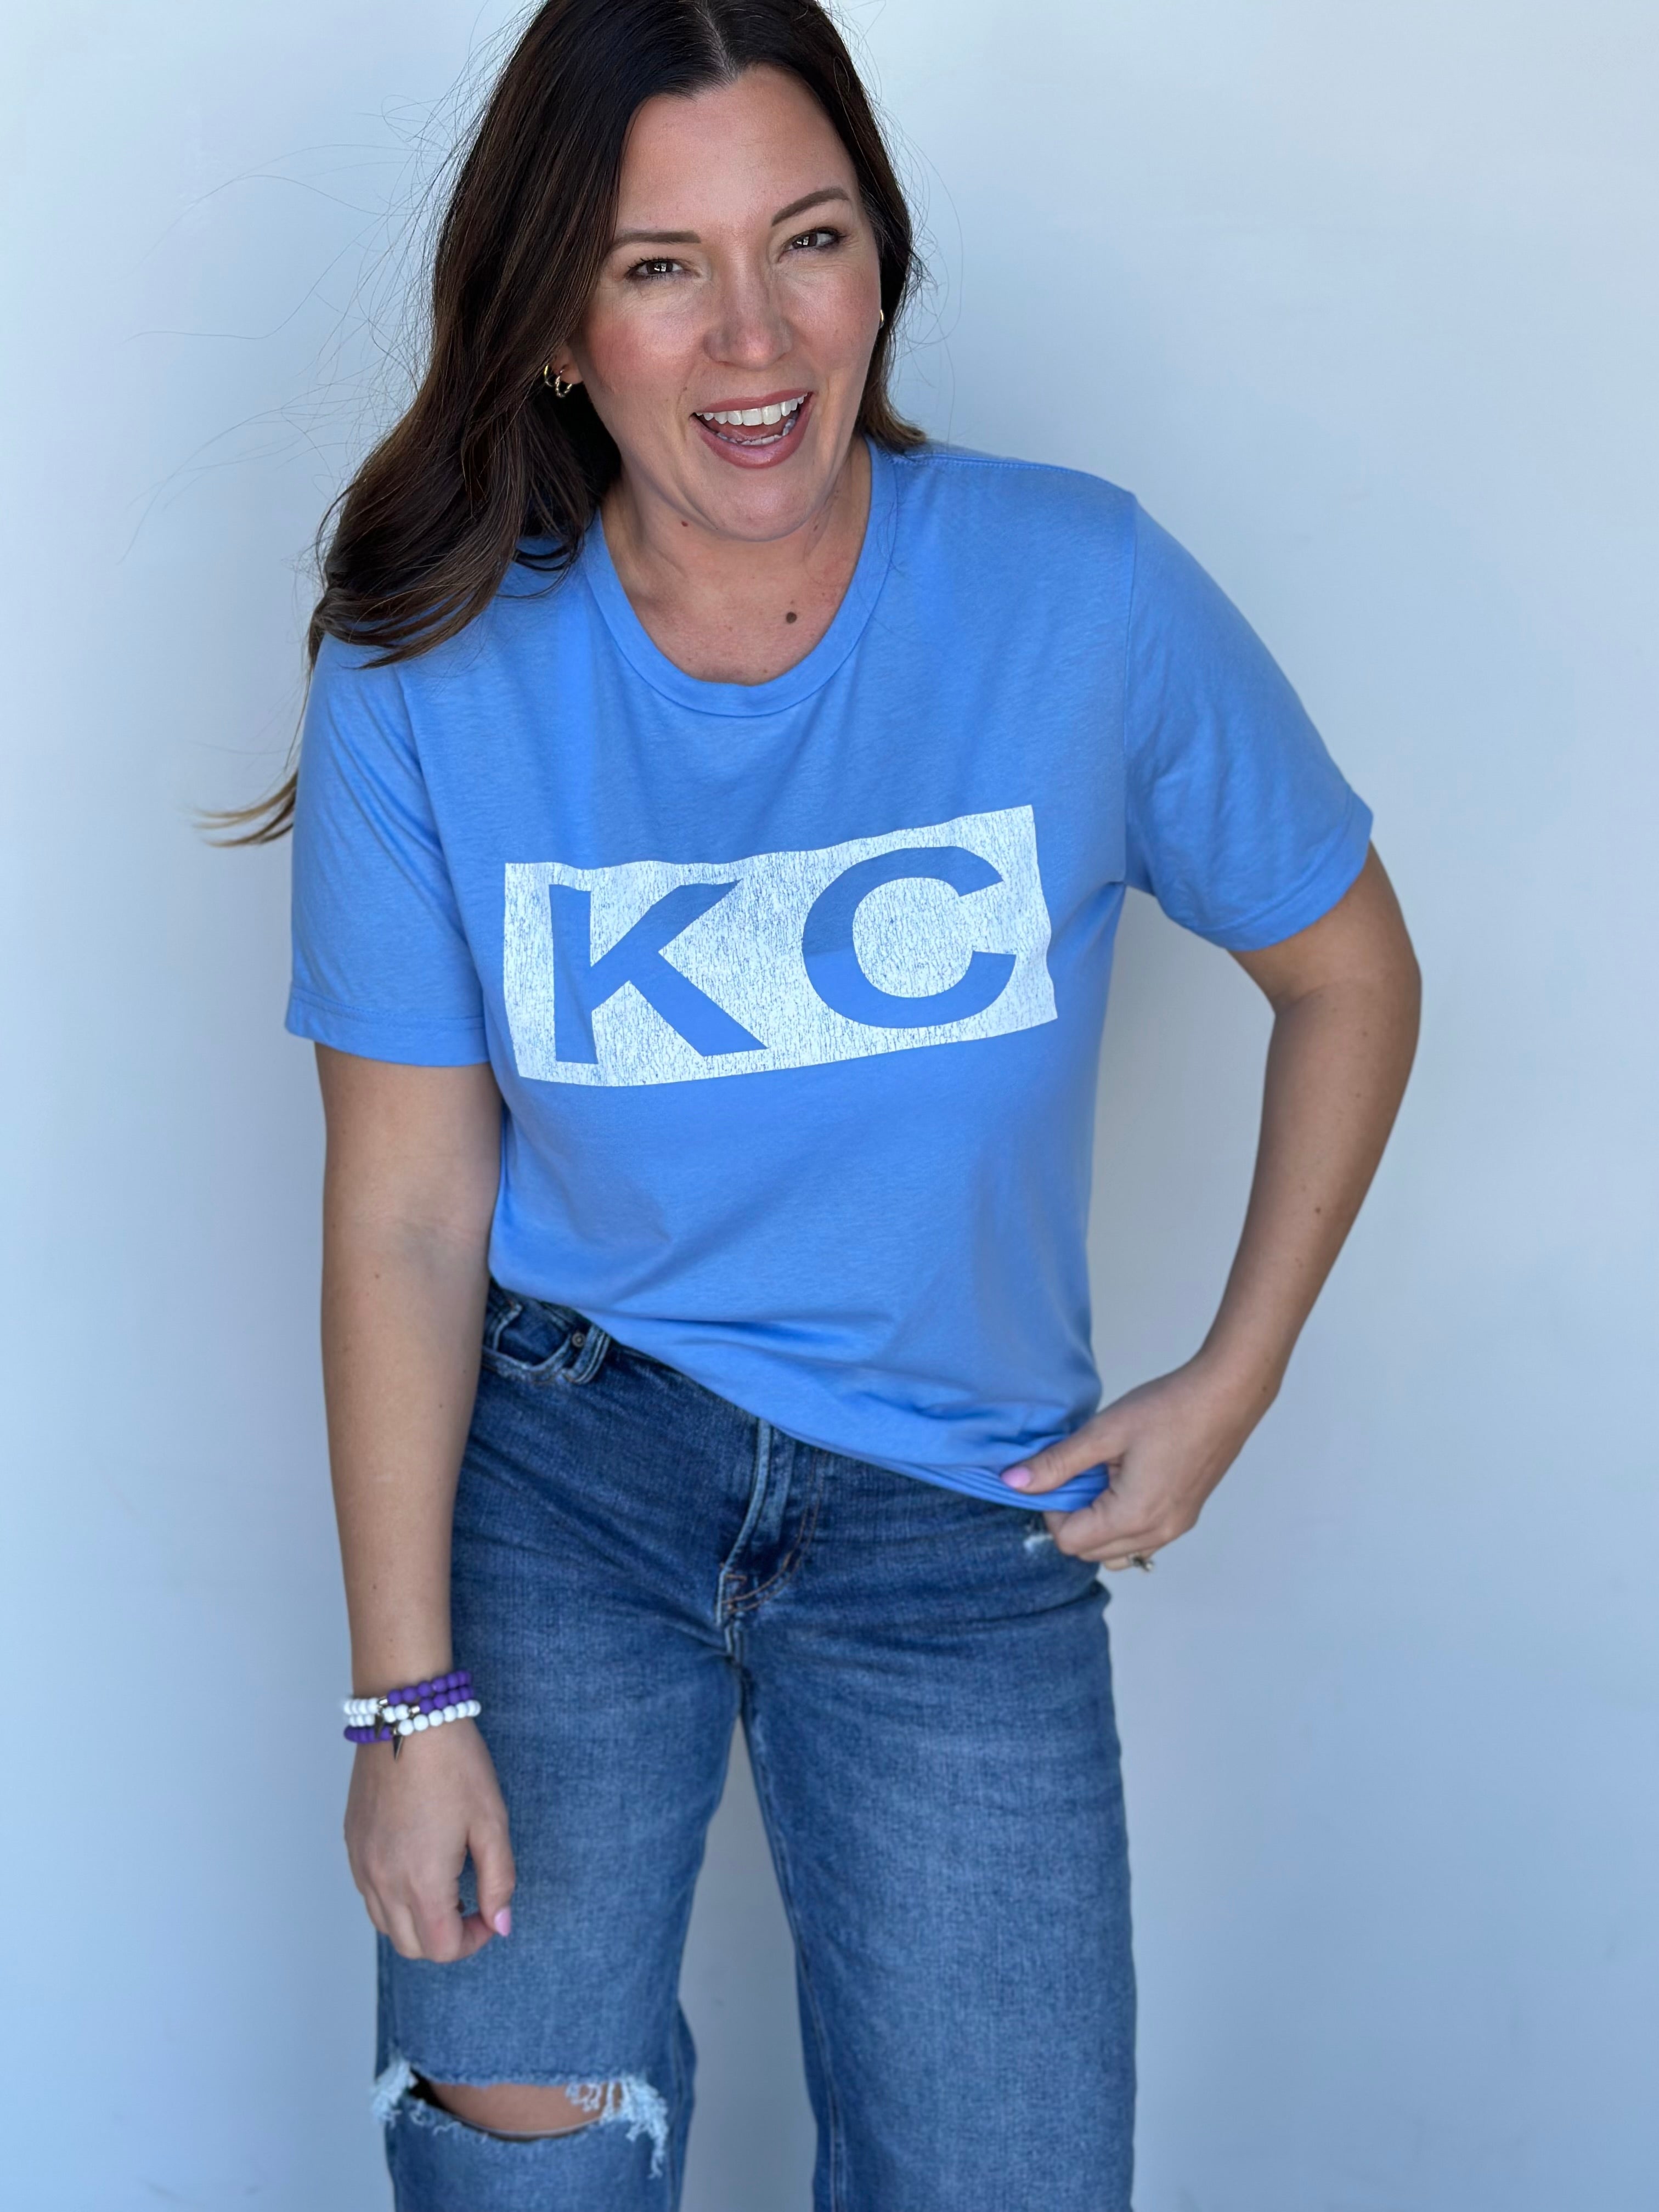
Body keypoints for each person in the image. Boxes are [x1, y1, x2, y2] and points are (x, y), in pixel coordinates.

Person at [252, 1, 1420, 2204]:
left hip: (958, 1513)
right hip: (569, 1479)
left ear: (882, 257)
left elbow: (1347, 968)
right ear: (554, 331)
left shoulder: (1076, 592)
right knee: (518, 2151)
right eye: (659, 266)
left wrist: (1235, 1378)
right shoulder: (431, 671)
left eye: (808, 239)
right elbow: (406, 1209)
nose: (755, 336)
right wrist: (405, 1705)